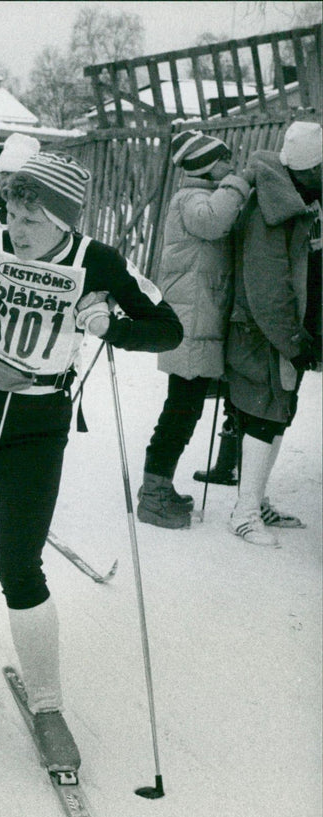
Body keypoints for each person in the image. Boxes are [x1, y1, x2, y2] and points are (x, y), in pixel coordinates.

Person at [0, 153, 182, 757]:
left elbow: (168, 328)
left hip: (38, 418)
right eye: (14, 214)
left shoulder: (96, 261)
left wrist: (111, 325)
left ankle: (48, 704)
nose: (17, 229)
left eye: (32, 219)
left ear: (62, 220)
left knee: (20, 565)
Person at [137, 130, 253, 529]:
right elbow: (214, 221)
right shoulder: (192, 200)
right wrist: (240, 183)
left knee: (185, 410)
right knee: (181, 411)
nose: (231, 164)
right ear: (206, 165)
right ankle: (153, 494)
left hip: (197, 318)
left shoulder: (198, 196)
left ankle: (159, 484)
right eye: (224, 160)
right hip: (188, 323)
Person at [224, 119, 322, 547]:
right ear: (309, 168)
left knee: (280, 409)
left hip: (284, 332)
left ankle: (255, 499)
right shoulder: (272, 207)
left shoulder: (297, 196)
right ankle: (244, 512)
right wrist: (294, 342)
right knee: (263, 412)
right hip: (264, 332)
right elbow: (267, 289)